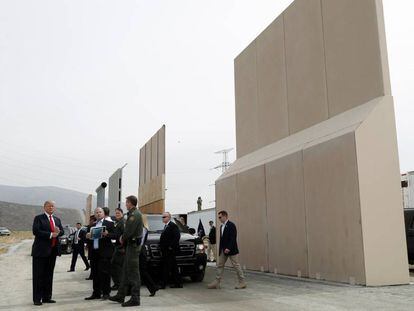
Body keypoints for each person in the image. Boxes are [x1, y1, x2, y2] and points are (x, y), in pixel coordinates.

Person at [109, 195, 143, 307]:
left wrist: (122, 238)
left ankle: (135, 298)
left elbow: (129, 231)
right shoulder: (132, 214)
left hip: (133, 247)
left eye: (127, 202)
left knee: (133, 273)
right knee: (125, 271)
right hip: (130, 246)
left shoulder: (135, 215)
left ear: (131, 203)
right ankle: (120, 295)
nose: (126, 204)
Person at [31, 200, 64, 306]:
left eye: (52, 206)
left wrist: (58, 232)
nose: (51, 208)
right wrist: (51, 234)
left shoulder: (57, 219)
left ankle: (47, 297)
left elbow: (62, 231)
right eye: (49, 206)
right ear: (44, 207)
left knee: (49, 275)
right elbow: (36, 231)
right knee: (38, 276)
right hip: (40, 252)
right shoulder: (39, 218)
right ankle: (37, 298)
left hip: (53, 251)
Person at [208, 210, 246, 289]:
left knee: (236, 265)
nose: (219, 219)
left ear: (225, 216)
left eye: (220, 217)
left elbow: (233, 238)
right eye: (218, 217)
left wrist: (228, 248)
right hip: (223, 250)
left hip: (231, 250)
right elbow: (222, 239)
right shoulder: (221, 226)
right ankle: (216, 282)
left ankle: (242, 282)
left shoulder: (231, 225)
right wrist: (221, 249)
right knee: (220, 265)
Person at [85, 207, 115, 300]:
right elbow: (87, 241)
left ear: (103, 213)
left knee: (105, 274)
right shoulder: (91, 226)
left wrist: (107, 234)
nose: (98, 214)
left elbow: (115, 236)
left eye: (100, 212)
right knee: (95, 274)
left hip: (105, 253)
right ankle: (96, 293)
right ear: (94, 214)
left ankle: (106, 293)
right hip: (94, 253)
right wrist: (87, 237)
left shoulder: (109, 224)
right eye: (96, 212)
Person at [159, 212, 182, 289]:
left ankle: (163, 284)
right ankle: (178, 283)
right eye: (162, 217)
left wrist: (170, 247)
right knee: (174, 267)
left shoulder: (173, 226)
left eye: (164, 217)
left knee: (166, 267)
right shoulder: (166, 226)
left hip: (170, 251)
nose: (163, 218)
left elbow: (177, 237)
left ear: (169, 217)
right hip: (165, 250)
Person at [139, 214, 159, 296]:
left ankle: (153, 287)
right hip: (142, 250)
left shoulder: (142, 229)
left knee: (142, 271)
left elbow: (140, 242)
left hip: (140, 251)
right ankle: (153, 287)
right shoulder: (145, 229)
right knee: (141, 271)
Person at [108, 207, 125, 290]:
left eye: (118, 213)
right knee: (115, 266)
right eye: (116, 213)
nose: (117, 214)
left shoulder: (122, 222)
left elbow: (123, 236)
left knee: (115, 266)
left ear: (122, 213)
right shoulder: (118, 222)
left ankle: (119, 284)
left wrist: (107, 234)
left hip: (121, 248)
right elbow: (115, 234)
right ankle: (117, 284)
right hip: (117, 247)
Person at [85, 215, 96, 280]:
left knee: (92, 262)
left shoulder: (90, 227)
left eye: (90, 220)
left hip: (91, 247)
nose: (89, 221)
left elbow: (87, 238)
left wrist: (86, 244)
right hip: (92, 246)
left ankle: (92, 275)